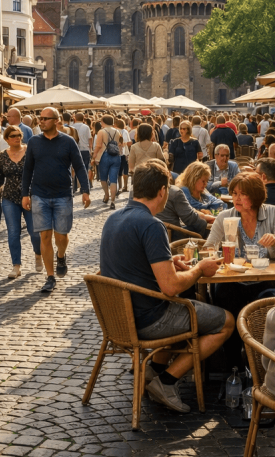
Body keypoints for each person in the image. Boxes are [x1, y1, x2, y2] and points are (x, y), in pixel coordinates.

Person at [99, 159, 233, 413]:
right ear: (162, 191)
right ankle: (167, 381)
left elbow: (133, 262)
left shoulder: (113, 218)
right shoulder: (152, 225)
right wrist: (198, 269)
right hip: (148, 319)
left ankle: (153, 370)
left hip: (117, 317)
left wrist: (169, 261)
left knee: (187, 310)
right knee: (226, 321)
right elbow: (170, 288)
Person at [204, 172, 275, 364]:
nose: (237, 198)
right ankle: (236, 366)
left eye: (243, 194)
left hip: (266, 280)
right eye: (234, 193)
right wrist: (221, 254)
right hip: (232, 282)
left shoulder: (273, 212)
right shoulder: (225, 216)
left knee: (271, 306)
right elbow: (208, 248)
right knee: (227, 304)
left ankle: (265, 363)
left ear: (256, 196)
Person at [21, 107, 92, 294]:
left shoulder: (68, 142)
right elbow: (27, 169)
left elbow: (79, 166)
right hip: (39, 195)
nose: (41, 121)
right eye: (40, 118)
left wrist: (85, 190)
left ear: (56, 120)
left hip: (63, 195)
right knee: (45, 236)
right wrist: (25, 193)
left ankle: (61, 255)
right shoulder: (34, 142)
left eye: (46, 118)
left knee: (61, 236)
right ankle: (50, 277)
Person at [0, 125, 41, 279]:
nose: (17, 138)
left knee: (34, 232)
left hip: (30, 197)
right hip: (9, 198)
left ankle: (38, 254)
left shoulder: (30, 151)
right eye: (13, 136)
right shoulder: (2, 156)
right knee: (13, 232)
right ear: (6, 139)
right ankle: (16, 266)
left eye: (19, 135)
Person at [92, 115, 124, 210]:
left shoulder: (101, 131)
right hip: (116, 156)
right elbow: (120, 144)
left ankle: (106, 195)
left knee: (104, 178)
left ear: (103, 122)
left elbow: (98, 145)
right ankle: (113, 201)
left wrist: (94, 156)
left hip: (104, 155)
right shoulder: (117, 131)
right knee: (113, 179)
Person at [72, 112, 93, 184]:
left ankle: (74, 185)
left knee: (74, 168)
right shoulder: (86, 127)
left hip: (74, 150)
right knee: (85, 168)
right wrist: (91, 149)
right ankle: (84, 185)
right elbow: (90, 138)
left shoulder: (71, 127)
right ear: (83, 118)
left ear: (75, 118)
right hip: (85, 149)